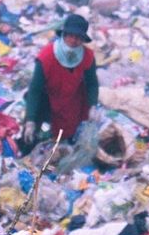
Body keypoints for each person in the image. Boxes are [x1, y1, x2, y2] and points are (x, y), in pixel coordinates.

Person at [21, 13, 99, 146]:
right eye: (71, 36)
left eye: (79, 38)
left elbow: (92, 83)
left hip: (71, 100)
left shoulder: (87, 56)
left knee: (67, 139)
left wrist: (92, 105)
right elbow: (35, 90)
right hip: (48, 99)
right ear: (64, 35)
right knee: (32, 139)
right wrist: (30, 120)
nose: (74, 41)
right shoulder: (47, 56)